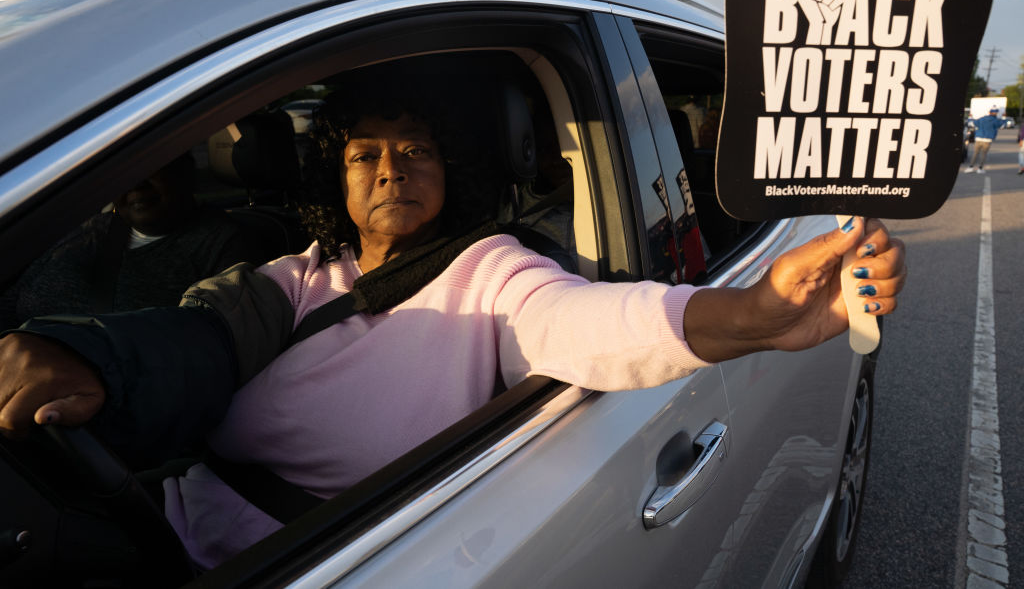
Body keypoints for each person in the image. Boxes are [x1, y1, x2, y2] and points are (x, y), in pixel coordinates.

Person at [0, 72, 906, 569]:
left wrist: (748, 312)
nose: (392, 168)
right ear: (337, 182)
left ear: (450, 172)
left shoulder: (493, 269)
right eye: (365, 154)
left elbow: (582, 321)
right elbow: (195, 340)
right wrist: (92, 367)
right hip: (157, 528)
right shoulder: (292, 277)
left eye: (416, 150)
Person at [0, 153, 273, 330]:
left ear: (185, 172)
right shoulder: (92, 227)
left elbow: (207, 342)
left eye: (152, 165)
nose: (136, 184)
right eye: (124, 171)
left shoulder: (223, 243)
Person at [964, 106, 1013, 173]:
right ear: (996, 113)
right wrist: (1004, 117)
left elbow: (972, 123)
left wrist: (970, 117)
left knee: (975, 153)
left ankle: (971, 167)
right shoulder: (995, 121)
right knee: (983, 154)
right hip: (987, 140)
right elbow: (1003, 125)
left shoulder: (982, 118)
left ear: (989, 112)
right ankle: (980, 168)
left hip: (978, 138)